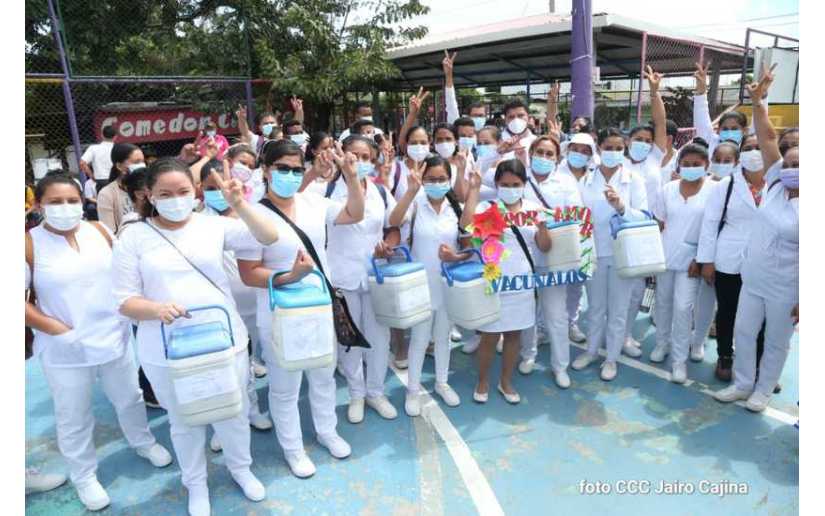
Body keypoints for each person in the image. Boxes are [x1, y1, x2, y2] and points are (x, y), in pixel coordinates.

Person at [112, 158, 279, 515]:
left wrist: (240, 204)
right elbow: (124, 301)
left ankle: (241, 470)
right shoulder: (134, 236)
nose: (175, 199)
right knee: (184, 420)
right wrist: (156, 309)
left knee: (232, 413)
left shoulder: (214, 225)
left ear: (196, 191)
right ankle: (196, 485)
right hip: (165, 348)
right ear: (149, 196)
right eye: (165, 194)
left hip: (224, 340)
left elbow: (269, 236)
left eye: (183, 191)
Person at [26, 173, 172, 511]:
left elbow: (126, 275)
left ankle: (143, 441)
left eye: (72, 200)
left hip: (113, 338)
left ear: (83, 202)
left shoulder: (100, 231)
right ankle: (84, 476)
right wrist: (60, 330)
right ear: (38, 206)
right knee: (73, 415)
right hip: (65, 349)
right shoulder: (28, 244)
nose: (66, 208)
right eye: (55, 202)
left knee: (130, 397)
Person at [237, 140, 364, 477]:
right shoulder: (254, 215)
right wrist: (289, 276)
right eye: (282, 169)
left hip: (319, 307)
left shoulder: (312, 202)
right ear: (265, 170)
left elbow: (354, 214)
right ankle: (292, 449)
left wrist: (351, 177)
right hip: (280, 313)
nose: (290, 176)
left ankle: (327, 432)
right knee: (285, 385)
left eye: (296, 169)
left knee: (323, 375)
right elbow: (248, 273)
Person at [713, 67, 798, 412]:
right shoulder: (777, 184)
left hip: (788, 286)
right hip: (754, 277)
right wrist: (758, 101)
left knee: (777, 341)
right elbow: (766, 140)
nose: (793, 167)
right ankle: (743, 383)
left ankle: (762, 390)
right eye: (790, 162)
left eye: (803, 163)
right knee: (743, 332)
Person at [194, 160, 274, 455]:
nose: (218, 193)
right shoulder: (196, 221)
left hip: (252, 303)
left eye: (222, 187)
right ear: (200, 190)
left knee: (248, 364)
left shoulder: (247, 215)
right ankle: (221, 423)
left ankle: (251, 410)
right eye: (210, 187)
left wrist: (239, 204)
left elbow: (266, 241)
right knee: (219, 369)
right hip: (217, 311)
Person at [323, 135, 402, 423]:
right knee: (350, 339)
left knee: (379, 337)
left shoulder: (381, 192)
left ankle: (375, 392)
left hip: (376, 274)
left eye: (366, 157)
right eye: (354, 155)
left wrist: (388, 246)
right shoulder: (328, 191)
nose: (359, 162)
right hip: (342, 276)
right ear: (342, 156)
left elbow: (393, 226)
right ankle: (356, 394)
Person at [461, 159, 548, 403]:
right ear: (497, 184)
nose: (511, 188)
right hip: (493, 282)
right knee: (489, 336)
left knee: (513, 336)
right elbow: (466, 229)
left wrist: (542, 227)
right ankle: (482, 381)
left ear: (524, 184)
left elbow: (545, 246)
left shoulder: (534, 210)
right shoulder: (486, 208)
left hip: (522, 284)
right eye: (505, 184)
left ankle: (506, 382)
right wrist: (474, 190)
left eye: (516, 184)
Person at [389, 155, 467, 415]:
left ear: (449, 179)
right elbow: (393, 220)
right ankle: (413, 390)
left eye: (442, 179)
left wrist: (454, 257)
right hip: (420, 285)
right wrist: (411, 191)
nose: (436, 183)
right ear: (422, 181)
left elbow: (470, 246)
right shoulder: (416, 204)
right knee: (420, 339)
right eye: (431, 179)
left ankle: (442, 383)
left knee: (443, 338)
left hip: (448, 283)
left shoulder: (456, 208)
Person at [570, 127, 649, 381]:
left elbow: (644, 216)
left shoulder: (633, 179)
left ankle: (611, 358)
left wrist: (622, 207)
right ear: (599, 148)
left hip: (621, 254)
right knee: (595, 307)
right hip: (593, 251)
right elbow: (578, 216)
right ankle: (591, 351)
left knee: (617, 309)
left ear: (624, 149)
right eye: (608, 147)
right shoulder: (586, 180)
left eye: (618, 148)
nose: (613, 152)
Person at [696, 140, 769, 380]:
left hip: (766, 259)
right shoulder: (726, 185)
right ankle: (725, 356)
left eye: (758, 147)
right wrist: (707, 261)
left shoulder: (778, 184)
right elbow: (710, 223)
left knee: (761, 316)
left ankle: (759, 365)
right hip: (729, 258)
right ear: (740, 156)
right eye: (747, 148)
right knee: (727, 311)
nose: (753, 153)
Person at [518, 136, 584, 388]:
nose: (543, 158)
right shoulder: (519, 178)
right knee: (526, 312)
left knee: (556, 315)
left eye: (549, 154)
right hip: (523, 257)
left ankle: (560, 366)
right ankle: (528, 355)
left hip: (554, 257)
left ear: (557, 158)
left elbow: (576, 214)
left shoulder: (566, 182)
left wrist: (542, 217)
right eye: (539, 152)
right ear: (530, 152)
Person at [651, 143, 714, 383]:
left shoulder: (713, 190)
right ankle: (661, 344)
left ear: (706, 165)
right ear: (679, 166)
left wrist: (702, 259)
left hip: (692, 263)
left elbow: (712, 229)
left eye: (696, 164)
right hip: (666, 255)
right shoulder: (668, 189)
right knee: (663, 303)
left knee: (682, 308)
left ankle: (679, 361)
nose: (691, 168)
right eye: (686, 164)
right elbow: (658, 222)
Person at [622, 67, 667, 360]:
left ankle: (624, 334)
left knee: (637, 287)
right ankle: (608, 330)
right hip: (620, 230)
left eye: (647, 139)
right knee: (615, 286)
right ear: (627, 141)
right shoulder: (613, 161)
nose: (643, 143)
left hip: (648, 232)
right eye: (637, 138)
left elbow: (661, 123)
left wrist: (653, 92)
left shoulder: (654, 159)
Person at [557, 132, 598, 344]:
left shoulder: (596, 174)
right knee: (553, 287)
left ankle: (571, 323)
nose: (579, 154)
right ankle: (544, 326)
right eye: (575, 149)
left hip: (586, 239)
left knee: (576, 285)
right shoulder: (556, 172)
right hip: (559, 237)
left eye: (585, 151)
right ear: (567, 150)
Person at [693, 62, 749, 156]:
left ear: (744, 130)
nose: (729, 132)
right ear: (718, 130)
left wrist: (760, 100)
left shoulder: (749, 150)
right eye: (725, 129)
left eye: (734, 128)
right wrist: (701, 92)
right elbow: (702, 119)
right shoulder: (711, 142)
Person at [97, 143, 145, 234]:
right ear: (119, 166)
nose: (142, 165)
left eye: (143, 161)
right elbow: (109, 232)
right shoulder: (107, 194)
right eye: (136, 162)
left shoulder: (150, 187)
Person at [442, 50, 488, 127]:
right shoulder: (459, 131)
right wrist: (449, 75)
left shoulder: (492, 135)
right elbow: (451, 104)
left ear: (486, 117)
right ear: (468, 117)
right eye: (475, 116)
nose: (478, 119)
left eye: (481, 116)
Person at [80, 126, 116, 192]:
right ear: (115, 136)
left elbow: (82, 163)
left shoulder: (93, 148)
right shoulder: (118, 148)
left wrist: (91, 175)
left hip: (101, 181)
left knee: (103, 201)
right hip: (116, 180)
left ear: (102, 135)